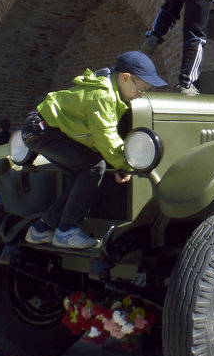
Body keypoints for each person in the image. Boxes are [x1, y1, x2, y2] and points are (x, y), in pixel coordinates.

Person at [21, 51, 165, 249]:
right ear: (125, 77)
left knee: (80, 176)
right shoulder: (103, 95)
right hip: (43, 130)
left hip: (39, 129)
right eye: (142, 87)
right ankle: (67, 230)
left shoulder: (107, 90)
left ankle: (42, 228)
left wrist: (116, 162)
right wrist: (127, 165)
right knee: (93, 166)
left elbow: (98, 136)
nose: (141, 94)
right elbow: (106, 138)